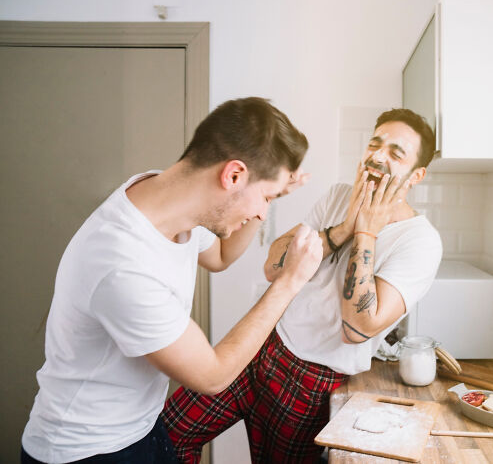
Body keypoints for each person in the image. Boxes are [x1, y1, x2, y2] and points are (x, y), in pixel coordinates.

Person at [20, 97, 323, 464]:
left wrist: (270, 193)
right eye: (264, 197)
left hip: (142, 427)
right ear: (234, 175)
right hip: (87, 450)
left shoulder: (167, 195)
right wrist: (289, 282)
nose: (262, 211)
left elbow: (222, 256)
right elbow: (212, 376)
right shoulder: (122, 263)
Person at [162, 108, 443, 463]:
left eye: (395, 152)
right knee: (169, 433)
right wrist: (342, 228)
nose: (377, 155)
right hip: (262, 346)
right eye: (375, 144)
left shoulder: (421, 242)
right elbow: (273, 264)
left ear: (417, 175)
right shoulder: (339, 196)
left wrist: (366, 231)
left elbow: (358, 328)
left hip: (313, 381)